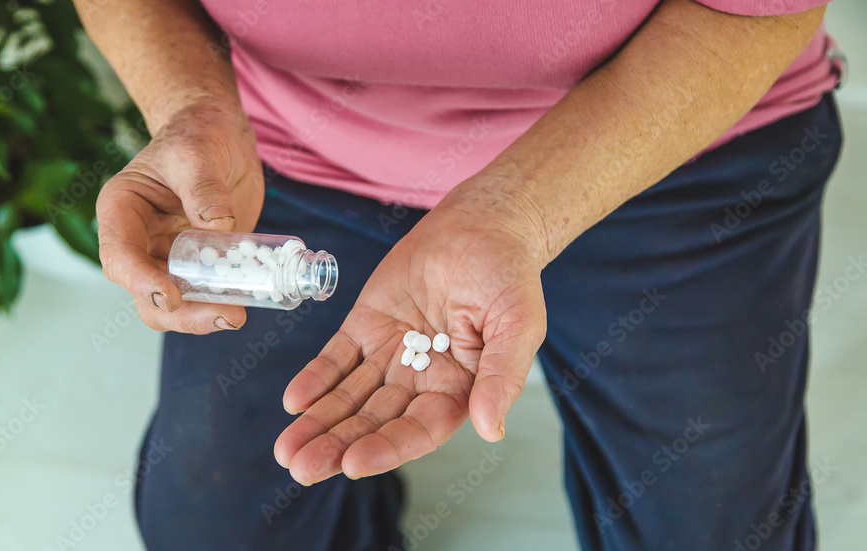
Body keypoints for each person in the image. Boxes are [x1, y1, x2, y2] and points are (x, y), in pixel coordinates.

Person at [75, 0, 845, 549]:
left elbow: (758, 10)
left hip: (669, 146)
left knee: (712, 525)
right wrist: (192, 108)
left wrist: (514, 209)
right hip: (286, 147)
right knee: (212, 521)